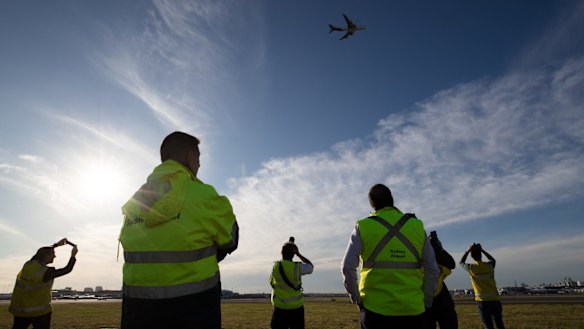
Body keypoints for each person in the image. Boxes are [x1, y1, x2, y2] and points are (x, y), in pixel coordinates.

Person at [119, 131, 239, 329]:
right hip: (194, 309)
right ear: (191, 157)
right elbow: (231, 239)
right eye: (198, 158)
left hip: (137, 311)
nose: (199, 165)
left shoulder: (133, 203)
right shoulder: (204, 196)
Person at [341, 183, 439, 329]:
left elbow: (347, 267)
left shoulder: (363, 226)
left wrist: (357, 299)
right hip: (413, 310)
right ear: (392, 199)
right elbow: (432, 269)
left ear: (372, 204)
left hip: (374, 311)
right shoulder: (417, 226)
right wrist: (426, 301)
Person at [9, 238, 78, 329]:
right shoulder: (45, 272)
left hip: (21, 311)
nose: (55, 256)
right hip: (40, 313)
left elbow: (38, 254)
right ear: (46, 256)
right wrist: (73, 255)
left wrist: (56, 245)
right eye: (53, 254)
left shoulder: (28, 264)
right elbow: (67, 269)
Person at [269, 237, 314, 329]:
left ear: (281, 253)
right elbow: (310, 267)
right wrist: (298, 254)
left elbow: (271, 282)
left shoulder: (275, 266)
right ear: (293, 254)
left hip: (279, 308)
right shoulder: (297, 267)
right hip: (296, 309)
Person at [460, 243, 506, 329]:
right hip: (495, 300)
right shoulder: (489, 266)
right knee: (499, 324)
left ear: (472, 256)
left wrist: (468, 251)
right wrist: (482, 250)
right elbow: (492, 259)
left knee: (488, 326)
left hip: (482, 302)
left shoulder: (471, 268)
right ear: (480, 255)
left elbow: (461, 262)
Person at [426, 231, 458, 329]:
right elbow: (451, 264)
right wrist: (438, 247)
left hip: (426, 304)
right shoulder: (438, 258)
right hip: (442, 303)